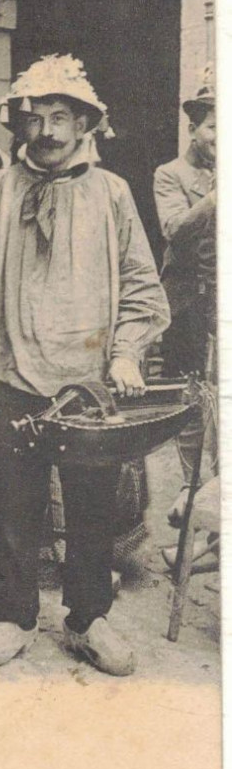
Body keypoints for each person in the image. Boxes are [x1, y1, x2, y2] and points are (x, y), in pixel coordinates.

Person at [0, 54, 170, 676]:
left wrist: (126, 352)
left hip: (89, 384)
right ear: (18, 125)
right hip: (8, 373)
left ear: (85, 124)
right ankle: (14, 616)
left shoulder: (112, 193)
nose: (46, 131)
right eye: (35, 117)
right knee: (11, 504)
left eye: (60, 117)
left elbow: (143, 287)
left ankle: (86, 617)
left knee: (93, 505)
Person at [154, 67, 217, 533]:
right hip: (187, 300)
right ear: (194, 129)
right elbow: (173, 229)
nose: (221, 136)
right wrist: (216, 198)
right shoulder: (169, 175)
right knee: (192, 391)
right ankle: (191, 483)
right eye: (214, 126)